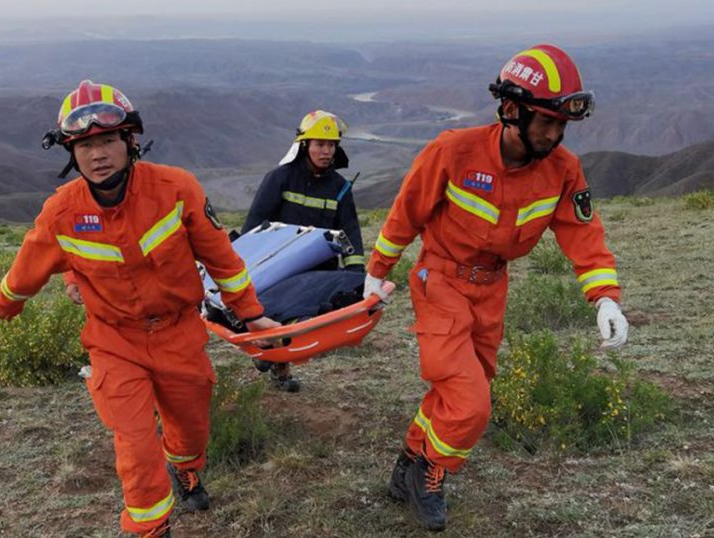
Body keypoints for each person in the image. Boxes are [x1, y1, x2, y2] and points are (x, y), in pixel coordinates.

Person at [0, 80, 280, 538]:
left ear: (130, 141)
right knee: (135, 443)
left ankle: (184, 469)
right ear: (71, 153)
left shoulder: (176, 188)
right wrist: (4, 307)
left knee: (189, 429)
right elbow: (26, 269)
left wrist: (250, 313)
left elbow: (221, 258)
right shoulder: (61, 212)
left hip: (179, 332)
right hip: (114, 341)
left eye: (107, 140)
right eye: (84, 145)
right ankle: (150, 528)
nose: (97, 153)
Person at [362, 45, 629, 532]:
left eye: (560, 125)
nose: (554, 134)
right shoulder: (453, 151)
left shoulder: (563, 169)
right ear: (511, 110)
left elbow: (582, 234)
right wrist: (377, 271)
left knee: (459, 391)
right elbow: (407, 212)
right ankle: (432, 473)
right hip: (438, 280)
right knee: (470, 404)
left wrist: (605, 296)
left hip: (492, 290)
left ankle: (406, 464)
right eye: (545, 121)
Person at [240, 110, 365, 392]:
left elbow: (351, 231)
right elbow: (254, 225)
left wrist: (356, 274)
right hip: (278, 266)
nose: (326, 150)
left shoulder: (340, 188)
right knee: (276, 316)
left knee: (300, 320)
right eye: (319, 144)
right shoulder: (280, 178)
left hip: (319, 270)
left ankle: (275, 360)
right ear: (304, 145)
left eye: (331, 145)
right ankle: (276, 365)